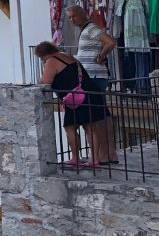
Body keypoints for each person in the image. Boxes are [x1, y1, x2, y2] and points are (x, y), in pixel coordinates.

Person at [36, 40, 108, 168]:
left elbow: (45, 81)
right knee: (90, 128)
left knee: (70, 128)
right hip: (89, 93)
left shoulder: (51, 61)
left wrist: (42, 74)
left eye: (42, 59)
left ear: (44, 54)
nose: (43, 61)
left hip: (75, 98)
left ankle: (75, 158)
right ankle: (95, 160)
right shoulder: (68, 57)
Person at [67, 5, 119, 163]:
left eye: (74, 16)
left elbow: (110, 42)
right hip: (93, 76)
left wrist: (101, 56)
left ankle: (103, 155)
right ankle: (110, 153)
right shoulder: (86, 30)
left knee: (97, 116)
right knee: (103, 113)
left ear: (82, 14)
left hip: (94, 77)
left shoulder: (91, 28)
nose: (72, 20)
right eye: (69, 17)